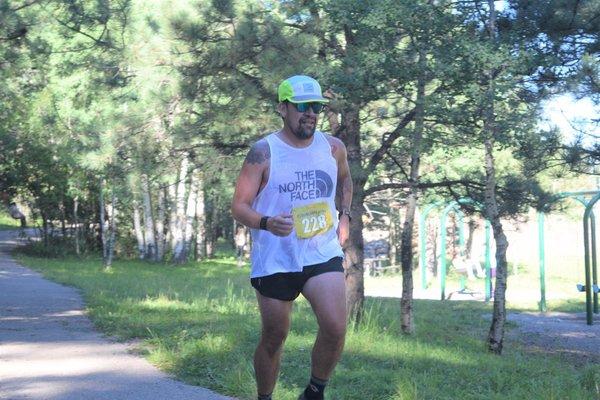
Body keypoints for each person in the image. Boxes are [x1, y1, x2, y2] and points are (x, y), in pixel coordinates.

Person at [231, 75, 353, 400]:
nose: (310, 113)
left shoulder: (333, 147)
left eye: (315, 106)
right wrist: (267, 222)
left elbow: (345, 182)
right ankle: (265, 397)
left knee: (335, 326)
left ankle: (314, 392)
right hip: (276, 257)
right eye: (302, 106)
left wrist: (346, 215)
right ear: (283, 109)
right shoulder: (264, 152)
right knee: (274, 336)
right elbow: (239, 206)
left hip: (320, 251)